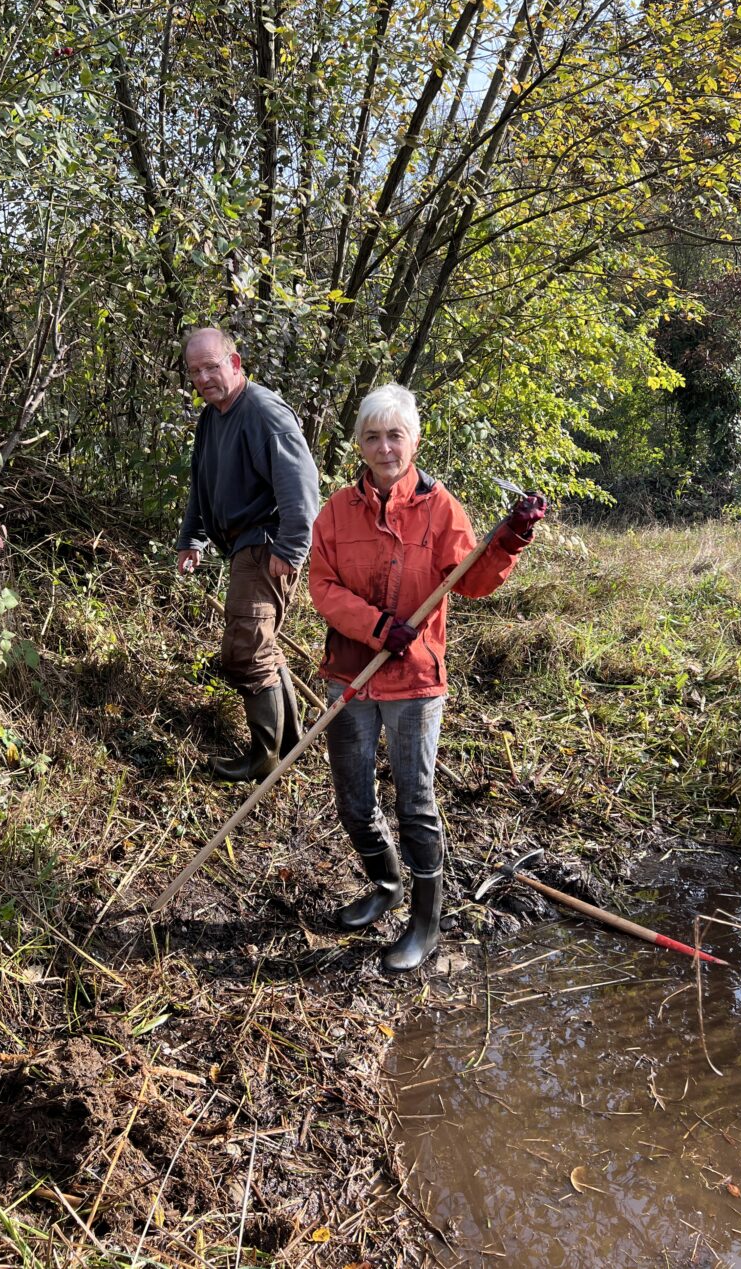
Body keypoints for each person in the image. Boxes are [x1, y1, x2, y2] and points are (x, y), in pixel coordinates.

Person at [309, 384, 546, 972]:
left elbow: (473, 579)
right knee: (353, 799)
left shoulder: (442, 509)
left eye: (396, 435)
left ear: (413, 440)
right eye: (373, 436)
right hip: (351, 674)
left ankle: (425, 922)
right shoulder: (336, 511)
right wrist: (375, 626)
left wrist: (510, 538)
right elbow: (323, 587)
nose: (385, 447)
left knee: (415, 803)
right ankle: (384, 885)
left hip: (415, 680)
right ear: (359, 444)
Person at [177, 328, 319, 781]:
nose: (203, 377)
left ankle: (265, 758)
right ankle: (291, 743)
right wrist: (191, 538)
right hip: (241, 546)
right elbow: (202, 485)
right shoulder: (211, 418)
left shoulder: (262, 411)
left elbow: (302, 487)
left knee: (245, 653)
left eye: (212, 366)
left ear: (235, 364)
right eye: (195, 370)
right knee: (261, 647)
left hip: (266, 545)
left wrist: (292, 547)